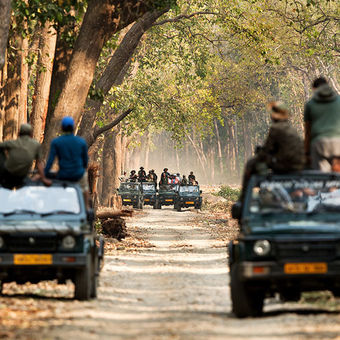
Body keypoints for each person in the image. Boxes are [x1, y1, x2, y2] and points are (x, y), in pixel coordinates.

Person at [240, 101, 305, 202]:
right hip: (298, 165)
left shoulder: (276, 128)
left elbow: (266, 151)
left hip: (284, 165)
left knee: (251, 163)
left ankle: (244, 199)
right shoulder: (291, 128)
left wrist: (259, 154)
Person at [44, 116, 90, 209]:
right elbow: (85, 161)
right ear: (73, 128)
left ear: (62, 128)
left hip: (63, 176)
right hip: (78, 175)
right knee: (85, 189)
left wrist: (45, 174)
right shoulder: (81, 142)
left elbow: (50, 162)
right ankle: (86, 210)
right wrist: (82, 168)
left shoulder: (56, 142)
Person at [304, 77, 340, 171]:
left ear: (315, 89)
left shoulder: (310, 104)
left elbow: (308, 131)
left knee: (322, 177)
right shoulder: (339, 101)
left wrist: (306, 152)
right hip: (338, 143)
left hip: (319, 143)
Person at [0, 124, 51, 189]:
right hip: (22, 176)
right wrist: (43, 178)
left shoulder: (13, 143)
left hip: (8, 174)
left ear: (19, 133)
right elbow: (39, 163)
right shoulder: (36, 145)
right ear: (31, 134)